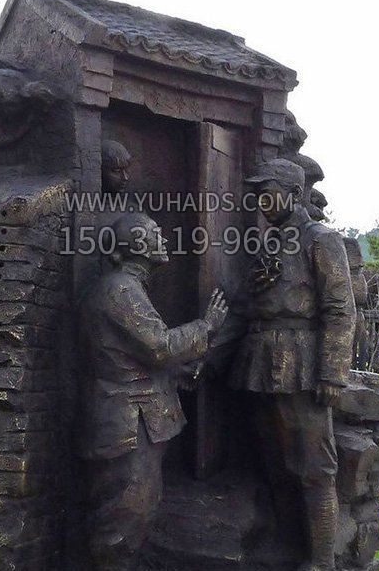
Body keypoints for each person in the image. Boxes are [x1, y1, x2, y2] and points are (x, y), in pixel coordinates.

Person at [79, 212, 228, 571]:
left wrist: (178, 373)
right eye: (155, 234)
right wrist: (206, 327)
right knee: (126, 515)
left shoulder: (128, 288)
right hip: (127, 423)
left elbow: (129, 359)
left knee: (136, 510)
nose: (163, 240)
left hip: (138, 420)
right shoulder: (120, 290)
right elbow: (159, 347)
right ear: (137, 246)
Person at [229, 159, 356, 571]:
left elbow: (340, 310)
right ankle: (287, 547)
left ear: (294, 194)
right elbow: (248, 306)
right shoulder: (267, 242)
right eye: (258, 196)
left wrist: (332, 373)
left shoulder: (321, 240)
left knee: (315, 468)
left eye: (268, 194)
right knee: (275, 462)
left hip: (302, 365)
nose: (262, 203)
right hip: (260, 363)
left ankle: (321, 560)